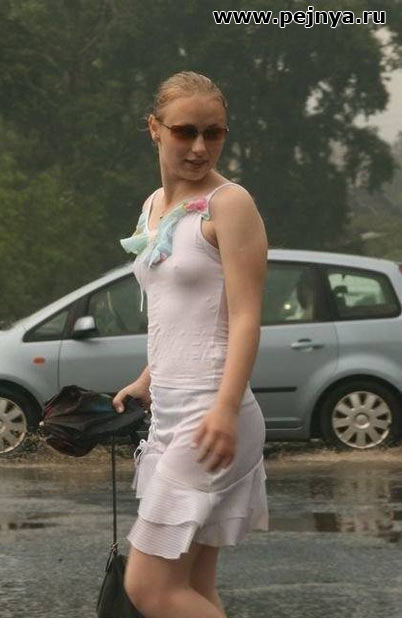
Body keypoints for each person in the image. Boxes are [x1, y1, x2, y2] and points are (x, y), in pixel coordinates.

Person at [112, 71, 269, 618]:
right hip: (170, 411)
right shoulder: (155, 204)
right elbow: (177, 312)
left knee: (149, 587)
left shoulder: (231, 204)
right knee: (194, 588)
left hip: (212, 413)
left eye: (213, 133)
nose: (200, 147)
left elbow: (245, 317)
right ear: (154, 129)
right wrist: (146, 379)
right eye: (185, 131)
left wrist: (225, 408)